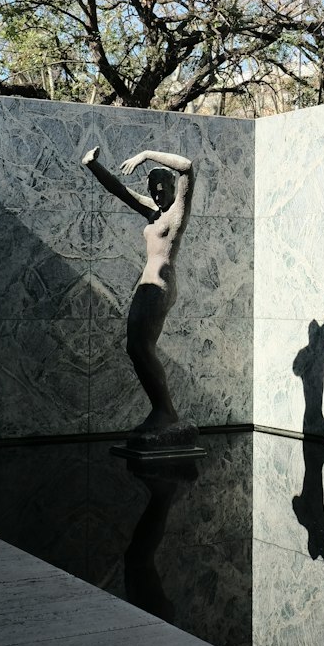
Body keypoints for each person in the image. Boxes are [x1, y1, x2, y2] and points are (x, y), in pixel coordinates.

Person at [81, 145, 194, 435]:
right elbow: (119, 190)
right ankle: (162, 411)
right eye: (152, 189)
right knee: (135, 347)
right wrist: (92, 165)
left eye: (161, 187)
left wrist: (145, 154)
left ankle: (165, 411)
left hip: (160, 286)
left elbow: (186, 166)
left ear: (172, 186)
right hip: (148, 286)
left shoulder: (176, 212)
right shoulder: (153, 212)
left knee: (142, 347)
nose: (157, 193)